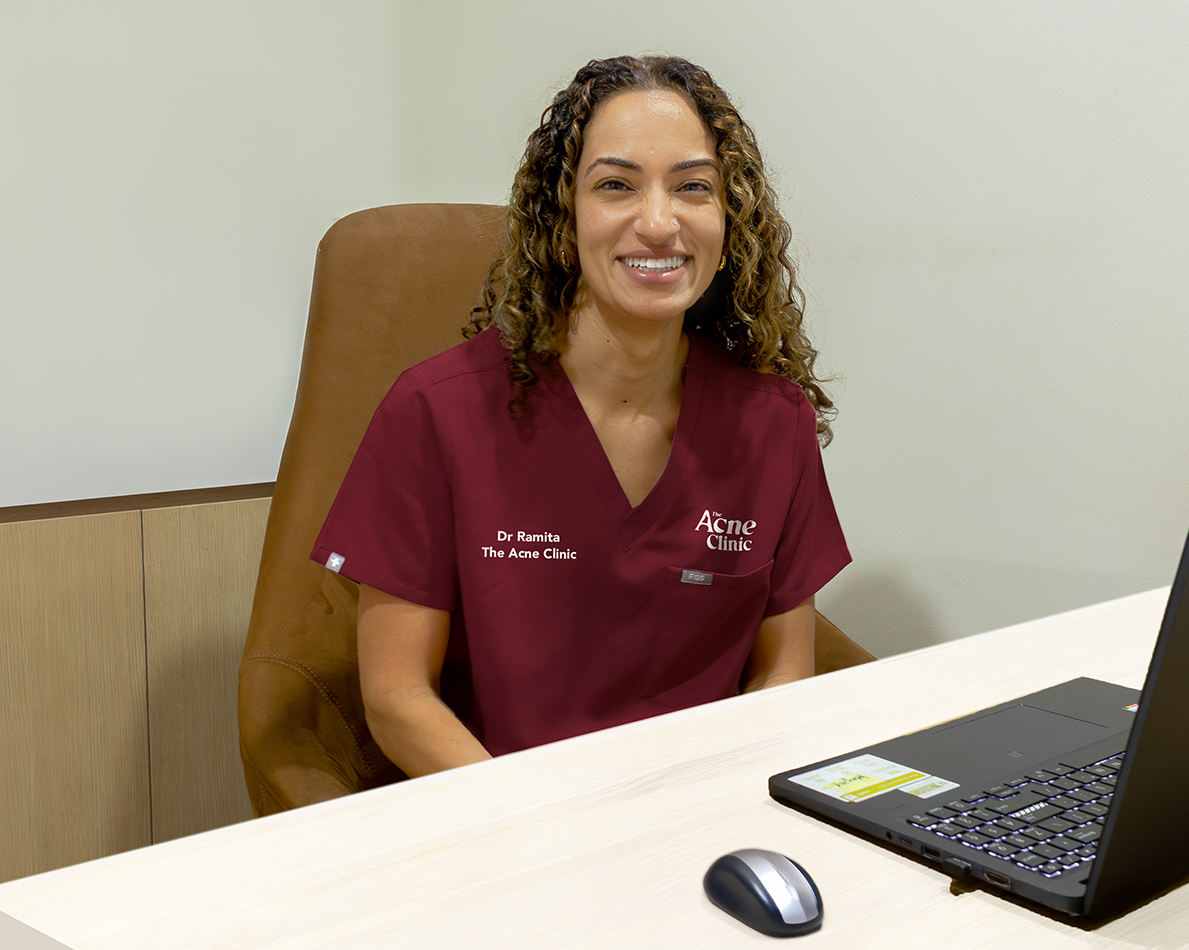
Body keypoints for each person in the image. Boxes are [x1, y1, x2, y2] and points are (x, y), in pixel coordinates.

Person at [310, 56, 850, 778]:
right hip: (506, 820)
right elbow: (399, 699)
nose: (659, 223)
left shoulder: (771, 422)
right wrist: (538, 830)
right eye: (616, 185)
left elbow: (783, 675)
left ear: (731, 220)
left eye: (693, 186)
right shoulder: (436, 411)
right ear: (564, 216)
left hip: (704, 819)